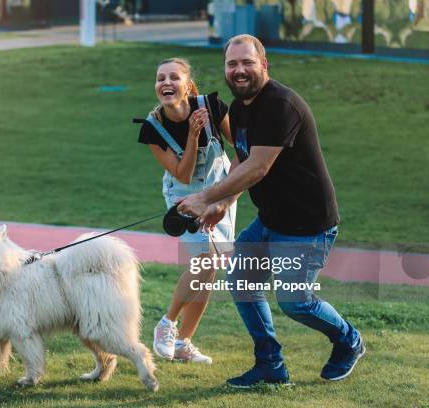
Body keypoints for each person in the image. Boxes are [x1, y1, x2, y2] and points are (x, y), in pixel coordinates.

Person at [178, 35, 364, 387]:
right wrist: (222, 202)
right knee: (242, 280)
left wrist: (204, 198)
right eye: (232, 64)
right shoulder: (242, 106)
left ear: (264, 64)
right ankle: (270, 364)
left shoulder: (281, 104)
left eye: (247, 62)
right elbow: (243, 158)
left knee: (295, 302)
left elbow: (259, 167)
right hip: (271, 220)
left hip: (308, 226)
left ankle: (348, 340)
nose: (239, 70)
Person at [138, 57, 238, 364]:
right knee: (205, 260)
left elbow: (243, 149)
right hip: (183, 196)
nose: (165, 83)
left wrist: (229, 195)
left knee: (211, 269)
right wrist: (193, 137)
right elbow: (182, 174)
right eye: (160, 78)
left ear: (188, 86)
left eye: (173, 77)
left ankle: (184, 343)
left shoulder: (212, 106)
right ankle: (166, 324)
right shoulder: (151, 128)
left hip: (220, 191)